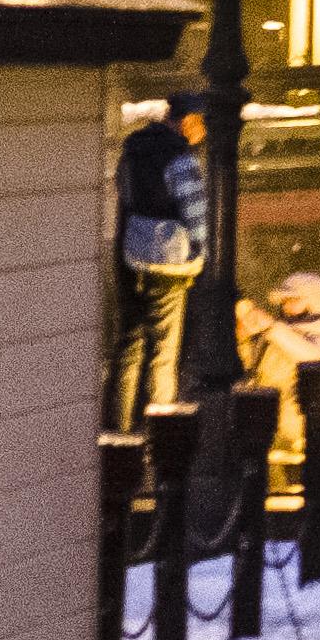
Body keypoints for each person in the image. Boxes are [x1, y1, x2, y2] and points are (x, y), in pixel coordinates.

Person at [112, 102, 207, 421]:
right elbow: (196, 216)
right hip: (168, 263)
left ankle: (120, 432)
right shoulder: (181, 159)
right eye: (201, 125)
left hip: (132, 257)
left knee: (130, 347)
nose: (203, 133)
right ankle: (160, 435)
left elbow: (123, 196)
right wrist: (204, 253)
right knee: (164, 354)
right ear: (188, 121)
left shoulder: (133, 150)